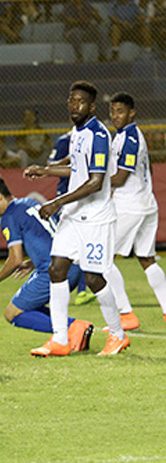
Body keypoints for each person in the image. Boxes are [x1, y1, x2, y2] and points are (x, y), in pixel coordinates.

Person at [23, 80, 128, 357]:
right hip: (74, 216)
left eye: (80, 102)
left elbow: (95, 182)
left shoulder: (99, 135)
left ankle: (118, 335)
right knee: (56, 269)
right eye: (71, 100)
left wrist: (57, 202)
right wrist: (46, 170)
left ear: (92, 107)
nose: (74, 106)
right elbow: (77, 168)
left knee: (93, 279)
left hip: (95, 218)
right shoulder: (77, 131)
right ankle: (60, 339)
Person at [0, 176, 94, 352]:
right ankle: (73, 331)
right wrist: (33, 261)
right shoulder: (29, 203)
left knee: (12, 313)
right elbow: (49, 235)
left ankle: (73, 328)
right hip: (71, 265)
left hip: (54, 271)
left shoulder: (9, 216)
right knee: (31, 306)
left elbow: (15, 258)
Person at [104, 92, 166, 329]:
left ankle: (126, 314)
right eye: (112, 111)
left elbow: (120, 178)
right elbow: (148, 169)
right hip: (146, 204)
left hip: (130, 207)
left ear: (132, 112)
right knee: (147, 260)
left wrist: (93, 182)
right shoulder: (124, 135)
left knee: (102, 259)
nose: (115, 116)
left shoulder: (129, 138)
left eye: (120, 111)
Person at [47, 131, 96, 306]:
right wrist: (70, 160)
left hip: (82, 197)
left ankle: (81, 290)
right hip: (68, 197)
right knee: (74, 246)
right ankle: (75, 290)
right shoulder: (65, 141)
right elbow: (52, 164)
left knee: (83, 245)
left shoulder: (91, 138)